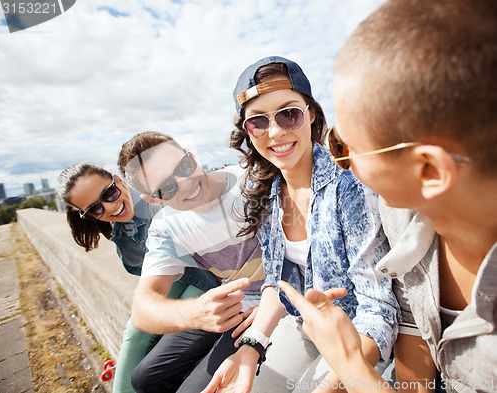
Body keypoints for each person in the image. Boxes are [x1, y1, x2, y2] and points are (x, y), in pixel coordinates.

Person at [279, 0, 497, 392]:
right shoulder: (401, 214)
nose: (334, 158)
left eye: (344, 146)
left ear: (428, 171)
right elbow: (416, 329)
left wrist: (350, 365)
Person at [203, 56, 400, 393]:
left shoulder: (349, 186)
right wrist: (251, 348)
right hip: (300, 326)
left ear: (310, 114)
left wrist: (334, 383)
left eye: (288, 113)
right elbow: (279, 283)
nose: (276, 132)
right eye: (258, 122)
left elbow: (378, 309)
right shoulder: (266, 194)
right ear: (248, 133)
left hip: (356, 334)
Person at [117, 131, 265, 393]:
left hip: (269, 306)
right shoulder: (165, 227)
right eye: (166, 187)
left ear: (192, 156)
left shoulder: (255, 181)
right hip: (231, 308)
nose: (185, 183)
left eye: (184, 167)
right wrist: (195, 312)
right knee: (143, 379)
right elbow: (142, 309)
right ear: (153, 199)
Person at [58, 160, 219, 393]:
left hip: (206, 275)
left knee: (150, 358)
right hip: (177, 275)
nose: (110, 208)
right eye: (96, 209)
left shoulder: (157, 198)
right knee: (135, 332)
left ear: (119, 180)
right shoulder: (122, 228)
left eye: (110, 193)